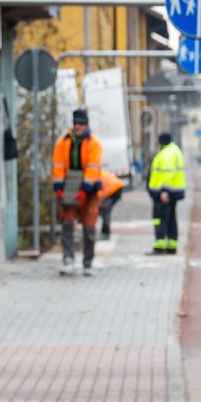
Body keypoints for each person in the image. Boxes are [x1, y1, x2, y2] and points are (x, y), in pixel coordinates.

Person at [50, 108, 103, 277]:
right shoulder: (63, 141)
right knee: (67, 225)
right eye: (75, 124)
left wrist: (85, 191)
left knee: (89, 227)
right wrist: (59, 188)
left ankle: (88, 263)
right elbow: (58, 165)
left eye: (81, 124)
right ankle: (68, 260)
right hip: (69, 187)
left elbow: (93, 168)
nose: (78, 126)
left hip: (90, 190)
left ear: (86, 125)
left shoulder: (93, 143)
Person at [146, 131, 187, 255]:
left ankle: (160, 246)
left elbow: (167, 173)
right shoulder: (174, 150)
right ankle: (171, 245)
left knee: (160, 219)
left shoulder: (168, 153)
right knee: (171, 220)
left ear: (161, 142)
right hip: (171, 193)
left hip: (164, 194)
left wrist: (164, 191)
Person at [97, 168, 126, 239]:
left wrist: (100, 204)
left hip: (114, 189)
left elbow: (100, 196)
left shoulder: (96, 177)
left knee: (105, 210)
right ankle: (105, 231)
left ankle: (106, 233)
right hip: (117, 187)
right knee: (105, 209)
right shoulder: (99, 173)